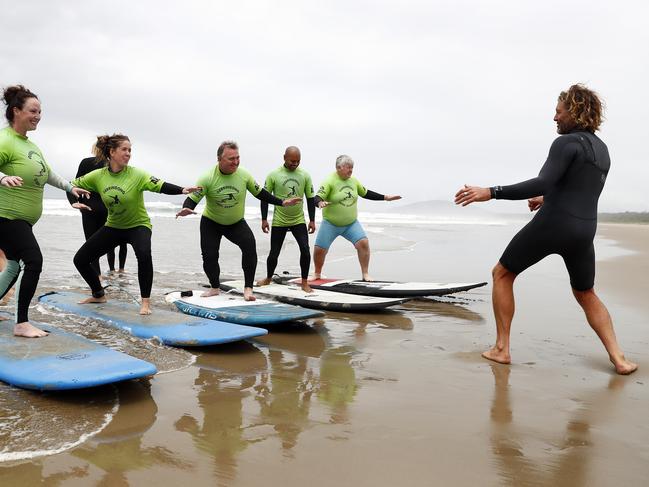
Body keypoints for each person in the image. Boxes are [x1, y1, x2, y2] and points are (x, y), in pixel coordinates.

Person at [454, 83, 637, 375]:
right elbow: (579, 188)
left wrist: (491, 191)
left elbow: (544, 181)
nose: (554, 118)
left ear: (573, 112)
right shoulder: (602, 151)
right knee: (585, 292)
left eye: (558, 111)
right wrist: (546, 197)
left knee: (502, 273)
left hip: (555, 224)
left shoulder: (565, 143)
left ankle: (502, 349)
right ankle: (620, 359)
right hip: (584, 231)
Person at [72, 133, 199, 315]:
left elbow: (160, 185)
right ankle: (98, 293)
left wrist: (182, 190)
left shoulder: (137, 174)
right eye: (124, 149)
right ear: (112, 152)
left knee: (144, 254)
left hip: (138, 226)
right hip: (114, 226)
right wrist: (73, 200)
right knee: (80, 259)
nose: (128, 153)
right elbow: (72, 185)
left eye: (130, 150)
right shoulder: (98, 176)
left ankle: (145, 303)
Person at [0, 85, 90, 337]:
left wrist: (70, 188)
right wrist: (2, 177)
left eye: (40, 111)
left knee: (14, 266)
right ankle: (21, 324)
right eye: (33, 110)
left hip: (21, 220)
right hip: (6, 215)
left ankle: (19, 320)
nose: (38, 115)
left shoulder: (30, 146)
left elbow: (46, 172)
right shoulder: (5, 139)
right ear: (16, 111)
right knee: (33, 261)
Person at [176, 141, 301, 301]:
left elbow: (260, 193)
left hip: (235, 223)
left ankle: (248, 288)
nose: (235, 162)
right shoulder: (207, 177)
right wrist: (187, 208)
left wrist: (282, 202)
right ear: (219, 159)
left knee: (250, 246)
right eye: (231, 159)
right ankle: (214, 287)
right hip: (211, 223)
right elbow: (193, 199)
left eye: (237, 158)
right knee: (209, 256)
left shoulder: (244, 175)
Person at [313, 155, 401, 281]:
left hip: (350, 224)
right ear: (339, 167)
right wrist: (320, 203)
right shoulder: (329, 181)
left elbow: (366, 193)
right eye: (348, 168)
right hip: (331, 224)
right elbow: (317, 197)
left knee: (363, 243)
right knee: (320, 250)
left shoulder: (353, 181)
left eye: (352, 168)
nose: (351, 170)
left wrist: (385, 197)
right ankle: (317, 273)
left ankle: (365, 274)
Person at [256, 146, 316, 292]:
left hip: (298, 220)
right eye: (292, 161)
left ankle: (304, 282)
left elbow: (310, 199)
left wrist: (312, 220)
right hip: (279, 220)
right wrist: (264, 219)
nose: (295, 164)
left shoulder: (305, 175)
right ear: (284, 157)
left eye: (298, 161)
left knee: (305, 250)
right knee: (274, 252)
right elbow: (264, 198)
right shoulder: (274, 175)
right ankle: (269, 278)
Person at [67, 153, 128, 277]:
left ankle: (98, 277)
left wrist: (75, 203)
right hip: (110, 207)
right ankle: (117, 271)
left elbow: (72, 185)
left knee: (91, 245)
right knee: (113, 242)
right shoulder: (115, 163)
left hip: (89, 207)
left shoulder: (86, 162)